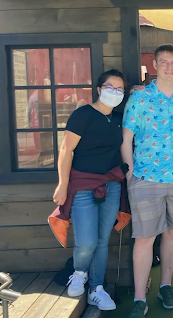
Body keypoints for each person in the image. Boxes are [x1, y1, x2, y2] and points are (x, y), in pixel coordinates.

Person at [121, 44, 173, 318]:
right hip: (146, 175)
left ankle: (166, 285)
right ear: (155, 65)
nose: (169, 66)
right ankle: (139, 298)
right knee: (144, 238)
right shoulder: (140, 98)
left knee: (172, 232)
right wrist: (130, 170)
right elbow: (126, 139)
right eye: (163, 61)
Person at [52, 69, 127, 311]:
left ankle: (96, 288)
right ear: (98, 89)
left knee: (103, 239)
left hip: (111, 185)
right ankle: (79, 273)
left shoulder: (118, 118)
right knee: (86, 241)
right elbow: (66, 150)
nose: (114, 93)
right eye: (109, 88)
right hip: (83, 184)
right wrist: (63, 185)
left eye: (119, 89)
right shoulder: (82, 114)